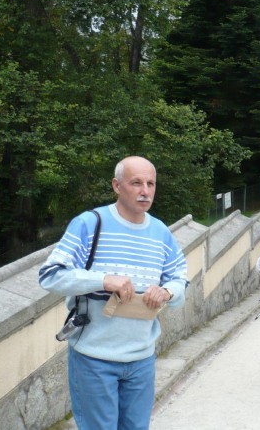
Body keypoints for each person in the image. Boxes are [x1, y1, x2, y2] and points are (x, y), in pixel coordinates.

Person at [38, 156, 188, 430]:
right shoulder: (89, 224)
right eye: (136, 183)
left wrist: (166, 291)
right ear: (117, 186)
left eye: (150, 183)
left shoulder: (160, 233)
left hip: (141, 359)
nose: (145, 191)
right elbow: (50, 276)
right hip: (94, 359)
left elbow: (180, 279)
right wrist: (104, 280)